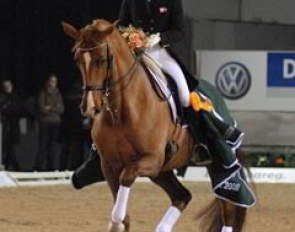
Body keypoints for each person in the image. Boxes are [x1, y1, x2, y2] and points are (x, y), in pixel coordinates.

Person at [71, 0, 244, 189]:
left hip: (162, 52)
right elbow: (121, 24)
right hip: (134, 53)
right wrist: (131, 37)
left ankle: (200, 144)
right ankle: (100, 151)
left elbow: (179, 31)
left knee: (185, 95)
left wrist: (158, 38)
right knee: (111, 91)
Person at [34, 75, 64, 171]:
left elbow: (61, 109)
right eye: (52, 81)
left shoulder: (58, 93)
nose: (53, 83)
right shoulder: (43, 93)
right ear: (48, 82)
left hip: (55, 123)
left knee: (53, 147)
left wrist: (50, 108)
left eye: (55, 81)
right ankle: (39, 168)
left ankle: (51, 168)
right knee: (43, 146)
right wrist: (54, 108)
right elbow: (42, 108)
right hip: (45, 123)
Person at [0, 80, 22, 171]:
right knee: (8, 147)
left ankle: (9, 165)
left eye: (8, 85)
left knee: (10, 147)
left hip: (13, 126)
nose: (7, 87)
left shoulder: (15, 97)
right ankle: (14, 167)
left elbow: (19, 110)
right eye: (5, 86)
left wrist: (9, 107)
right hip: (4, 126)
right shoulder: (2, 97)